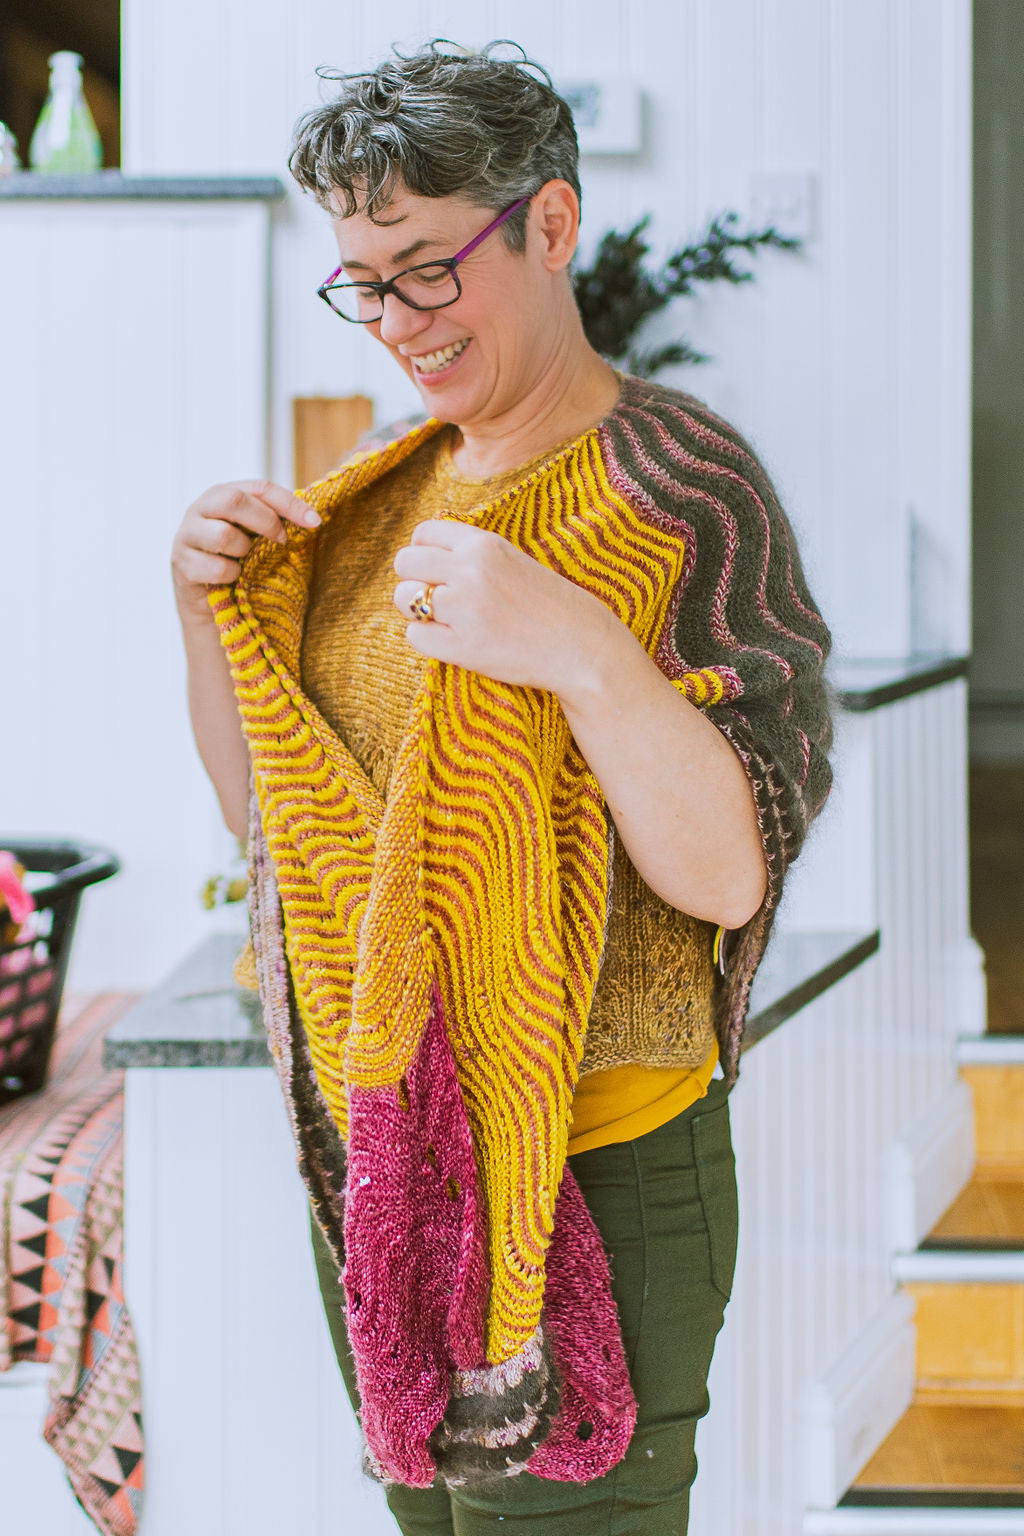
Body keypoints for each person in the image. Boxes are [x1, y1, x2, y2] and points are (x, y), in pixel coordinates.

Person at [170, 39, 833, 1536]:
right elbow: (267, 826)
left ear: (549, 223)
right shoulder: (380, 501)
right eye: (361, 279)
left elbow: (729, 873)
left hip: (600, 1178)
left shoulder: (682, 486)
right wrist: (199, 609)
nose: (394, 321)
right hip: (390, 1179)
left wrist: (585, 656)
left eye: (425, 267)